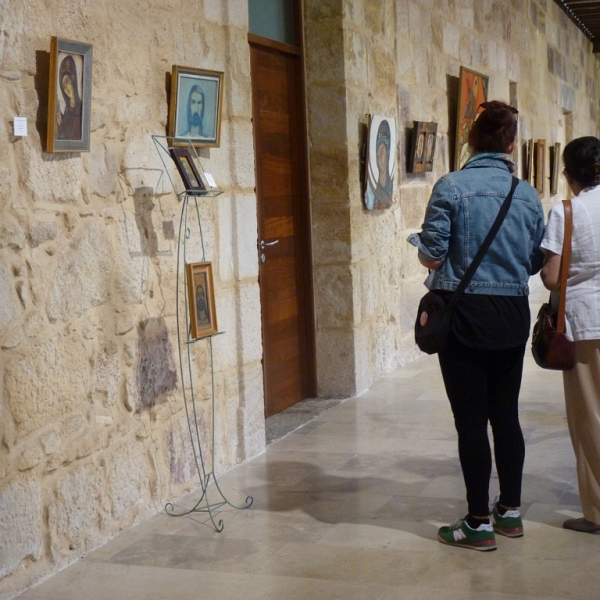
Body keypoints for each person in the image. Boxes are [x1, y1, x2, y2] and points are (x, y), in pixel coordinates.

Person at [408, 101, 545, 551]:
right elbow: (530, 262)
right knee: (506, 416)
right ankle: (510, 513)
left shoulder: (451, 186)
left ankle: (478, 522)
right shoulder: (526, 195)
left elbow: (432, 254)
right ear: (511, 144)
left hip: (464, 314)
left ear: (472, 140)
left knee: (471, 422)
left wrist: (420, 244)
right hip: (510, 315)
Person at [540, 136, 600, 534]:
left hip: (587, 322)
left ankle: (597, 511)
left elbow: (551, 276)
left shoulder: (568, 211)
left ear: (567, 173)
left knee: (590, 417)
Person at [56, 55, 82, 140]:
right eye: (63, 84)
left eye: (67, 82)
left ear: (73, 81)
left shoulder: (80, 111)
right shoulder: (67, 111)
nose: (66, 87)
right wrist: (60, 126)